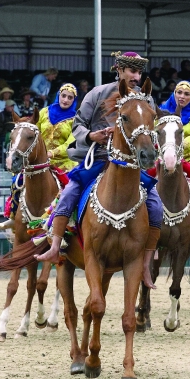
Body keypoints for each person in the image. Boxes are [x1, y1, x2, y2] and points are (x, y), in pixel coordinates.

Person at [35, 52, 164, 290]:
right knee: (69, 194)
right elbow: (78, 125)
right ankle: (54, 247)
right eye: (131, 71)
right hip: (97, 158)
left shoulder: (147, 100)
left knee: (156, 206)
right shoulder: (97, 93)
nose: (136, 76)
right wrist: (91, 135)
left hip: (131, 165)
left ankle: (146, 262)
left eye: (139, 72)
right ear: (119, 70)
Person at [160, 80, 190, 189]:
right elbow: (154, 130)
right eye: (179, 92)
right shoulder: (162, 112)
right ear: (174, 93)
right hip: (163, 156)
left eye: (187, 94)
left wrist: (178, 145)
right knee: (146, 179)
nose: (182, 96)